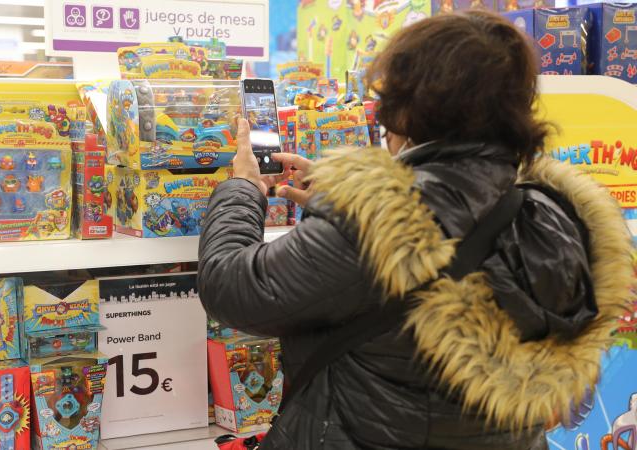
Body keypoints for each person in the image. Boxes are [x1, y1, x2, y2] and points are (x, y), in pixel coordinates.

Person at [197, 11, 633, 450]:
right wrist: (347, 196)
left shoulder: (375, 220)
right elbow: (454, 222)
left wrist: (243, 188)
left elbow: (232, 287)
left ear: (412, 104)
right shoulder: (554, 215)